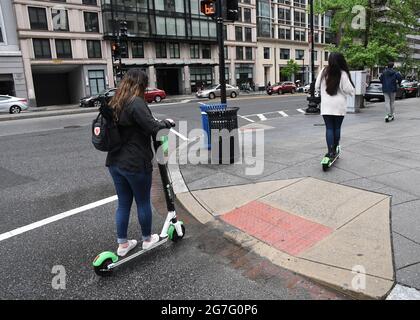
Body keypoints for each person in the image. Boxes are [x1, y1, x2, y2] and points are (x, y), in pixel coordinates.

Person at [106, 68, 175, 257]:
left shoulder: (115, 101)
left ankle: (123, 244)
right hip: (135, 162)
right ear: (141, 84)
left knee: (123, 203)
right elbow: (153, 128)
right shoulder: (136, 102)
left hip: (115, 162)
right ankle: (147, 239)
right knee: (143, 201)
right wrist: (167, 123)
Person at [315, 52, 355, 160]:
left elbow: (316, 86)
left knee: (329, 128)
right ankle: (335, 149)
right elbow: (349, 90)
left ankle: (330, 151)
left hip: (326, 105)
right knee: (337, 128)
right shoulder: (343, 74)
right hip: (339, 105)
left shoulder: (323, 71)